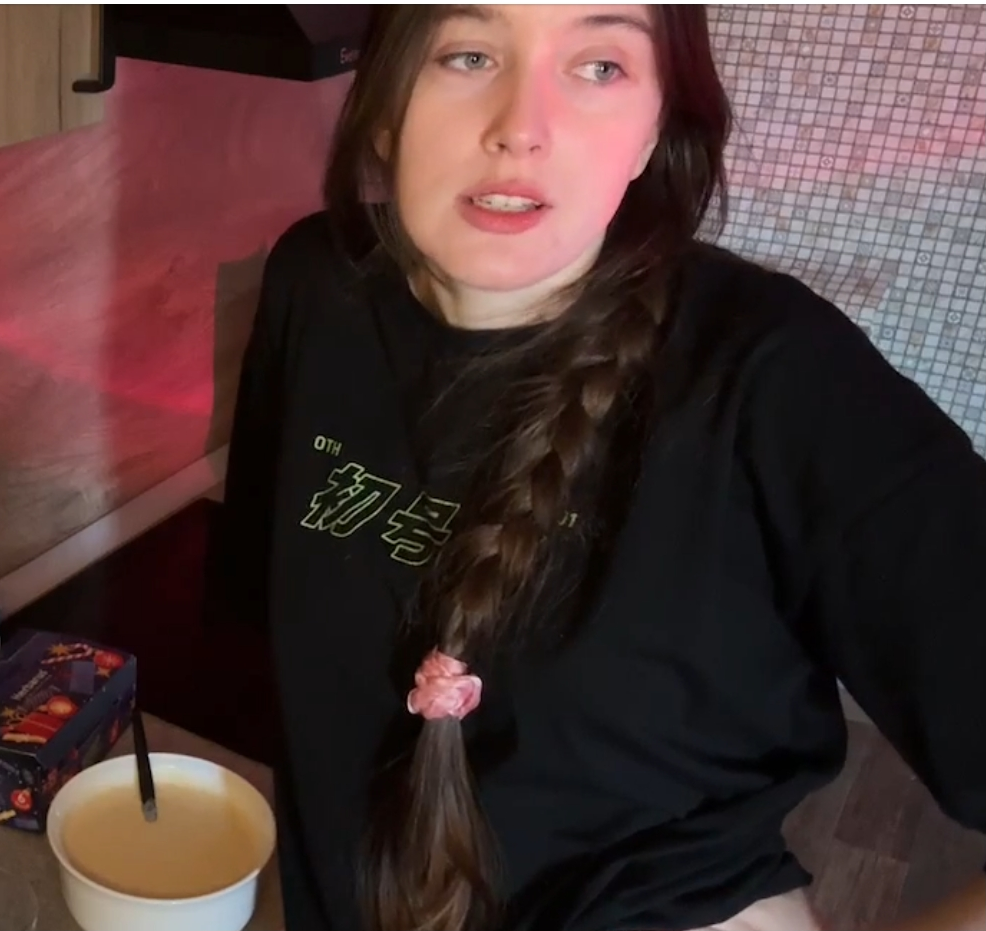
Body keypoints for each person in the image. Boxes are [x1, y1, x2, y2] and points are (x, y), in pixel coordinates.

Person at [210, 5, 986, 931]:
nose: (520, 128)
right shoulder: (315, 282)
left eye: (599, 67)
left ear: (654, 127)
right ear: (381, 105)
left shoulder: (778, 376)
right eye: (467, 54)